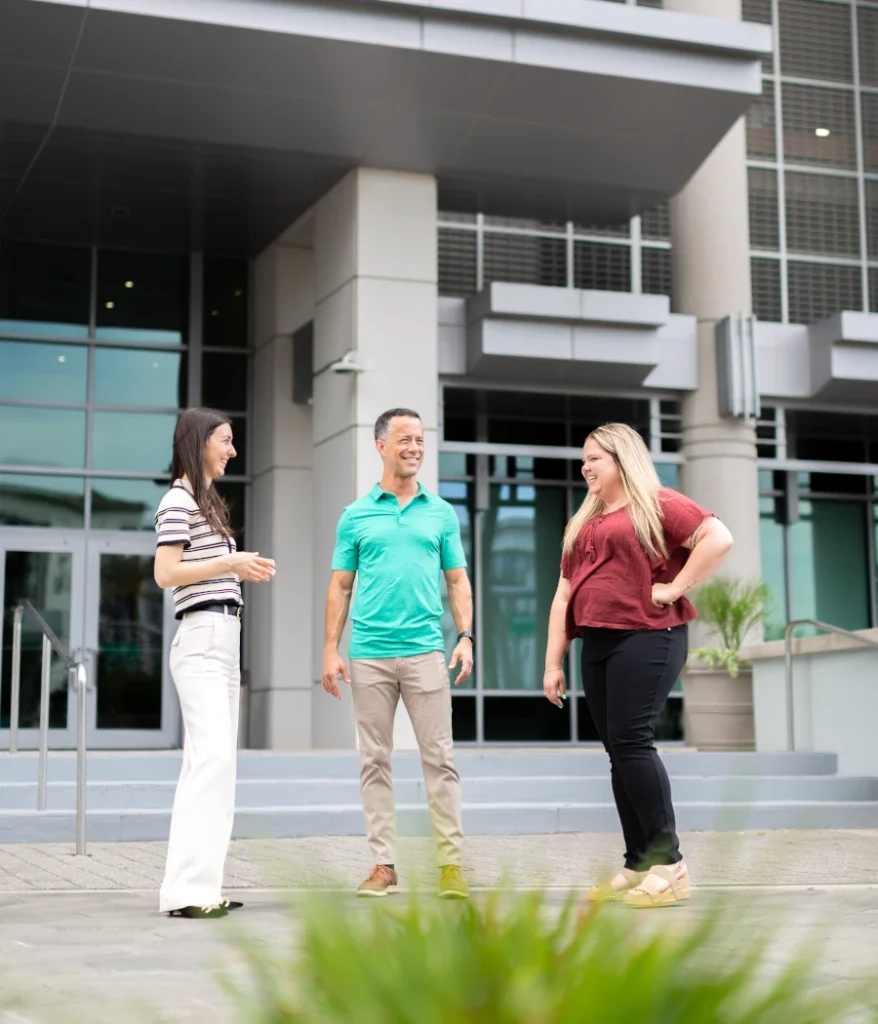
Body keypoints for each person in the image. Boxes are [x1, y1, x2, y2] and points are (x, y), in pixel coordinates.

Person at [543, 423, 733, 909]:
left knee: (632, 742)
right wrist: (553, 661)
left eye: (595, 458)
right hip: (599, 641)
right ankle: (639, 861)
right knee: (619, 752)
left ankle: (670, 864)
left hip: (649, 636)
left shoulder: (657, 501)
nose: (586, 466)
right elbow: (564, 593)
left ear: (622, 459)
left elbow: (718, 537)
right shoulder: (583, 520)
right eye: (583, 459)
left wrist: (674, 588)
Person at [322, 408, 474, 899]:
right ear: (381, 446)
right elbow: (340, 586)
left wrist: (466, 636)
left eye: (420, 440)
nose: (414, 447)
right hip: (368, 654)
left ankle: (450, 866)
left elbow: (457, 580)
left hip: (426, 651)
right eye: (405, 439)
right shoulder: (356, 515)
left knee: (440, 759)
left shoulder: (441, 512)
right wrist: (330, 649)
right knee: (374, 761)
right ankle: (383, 864)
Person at [153, 407, 276, 919]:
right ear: (199, 441)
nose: (232, 450)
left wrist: (233, 568)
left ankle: (204, 886)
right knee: (211, 763)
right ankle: (187, 892)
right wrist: (230, 561)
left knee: (217, 766)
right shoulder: (177, 500)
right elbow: (166, 572)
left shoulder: (205, 505)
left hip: (224, 637)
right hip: (202, 635)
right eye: (225, 441)